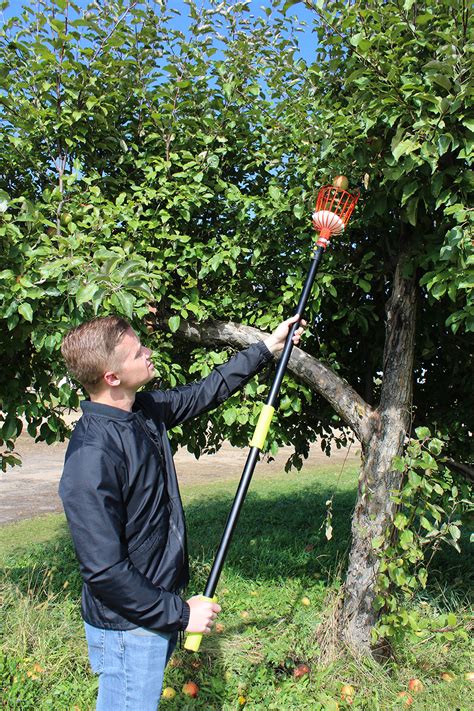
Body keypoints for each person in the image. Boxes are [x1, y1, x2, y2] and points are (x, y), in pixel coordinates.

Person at [59, 313, 305, 710]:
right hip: (128, 626)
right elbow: (103, 570)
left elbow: (206, 391)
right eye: (139, 352)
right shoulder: (92, 456)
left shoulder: (143, 411)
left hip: (151, 609)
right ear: (111, 377)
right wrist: (179, 612)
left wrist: (266, 349)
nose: (149, 352)